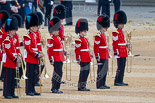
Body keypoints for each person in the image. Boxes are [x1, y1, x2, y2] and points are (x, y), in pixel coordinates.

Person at [24, 13, 44, 96]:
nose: (37, 27)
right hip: (31, 58)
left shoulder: (34, 35)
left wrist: (39, 53)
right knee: (29, 75)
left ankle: (32, 89)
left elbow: (36, 47)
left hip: (35, 57)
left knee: (34, 75)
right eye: (36, 26)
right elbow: (28, 48)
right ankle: (28, 90)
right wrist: (36, 54)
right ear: (32, 27)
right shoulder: (27, 36)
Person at [3, 16, 20, 99]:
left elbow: (15, 50)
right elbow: (8, 52)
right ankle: (6, 93)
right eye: (13, 30)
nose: (15, 31)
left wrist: (18, 57)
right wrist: (15, 58)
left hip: (13, 62)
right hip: (9, 62)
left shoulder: (13, 40)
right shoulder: (7, 40)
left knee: (13, 78)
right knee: (8, 79)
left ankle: (12, 92)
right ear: (10, 30)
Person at [47, 17, 65, 93]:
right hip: (56, 58)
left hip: (60, 57)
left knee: (59, 73)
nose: (58, 31)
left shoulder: (57, 38)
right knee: (58, 73)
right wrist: (51, 59)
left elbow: (60, 47)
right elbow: (49, 51)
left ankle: (56, 87)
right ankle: (54, 88)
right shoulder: (52, 39)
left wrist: (64, 52)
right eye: (57, 30)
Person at [75, 18, 92, 91]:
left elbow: (86, 49)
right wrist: (78, 59)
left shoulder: (85, 39)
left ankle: (83, 85)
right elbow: (77, 50)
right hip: (82, 58)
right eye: (84, 31)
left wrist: (89, 55)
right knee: (83, 72)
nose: (86, 32)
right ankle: (80, 86)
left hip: (86, 57)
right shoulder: (78, 40)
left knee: (87, 72)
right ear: (80, 31)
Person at [112, 10, 129, 86]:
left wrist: (126, 45)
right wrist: (116, 52)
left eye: (123, 24)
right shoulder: (116, 32)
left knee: (122, 67)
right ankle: (117, 81)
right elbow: (115, 44)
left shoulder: (121, 32)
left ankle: (120, 80)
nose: (123, 25)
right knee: (120, 67)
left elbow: (122, 42)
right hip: (119, 52)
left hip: (123, 51)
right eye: (121, 24)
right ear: (117, 24)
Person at [94, 14, 110, 89]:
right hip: (101, 55)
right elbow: (96, 47)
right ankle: (99, 84)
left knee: (105, 69)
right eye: (105, 27)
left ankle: (103, 83)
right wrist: (97, 56)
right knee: (101, 70)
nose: (106, 29)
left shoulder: (103, 35)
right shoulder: (98, 35)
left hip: (105, 54)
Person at [11, 14, 24, 88]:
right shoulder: (12, 35)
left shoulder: (15, 34)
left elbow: (17, 44)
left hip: (18, 53)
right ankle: (15, 82)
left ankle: (16, 82)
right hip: (14, 54)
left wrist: (22, 44)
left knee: (21, 68)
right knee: (16, 69)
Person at [34, 12, 44, 86]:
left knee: (41, 65)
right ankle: (35, 79)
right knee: (36, 66)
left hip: (39, 50)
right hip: (35, 51)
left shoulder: (38, 32)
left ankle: (36, 78)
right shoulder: (34, 33)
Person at [0, 10, 9, 81]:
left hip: (6, 48)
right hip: (3, 49)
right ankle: (3, 76)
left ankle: (3, 76)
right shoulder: (1, 31)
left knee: (5, 63)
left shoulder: (6, 31)